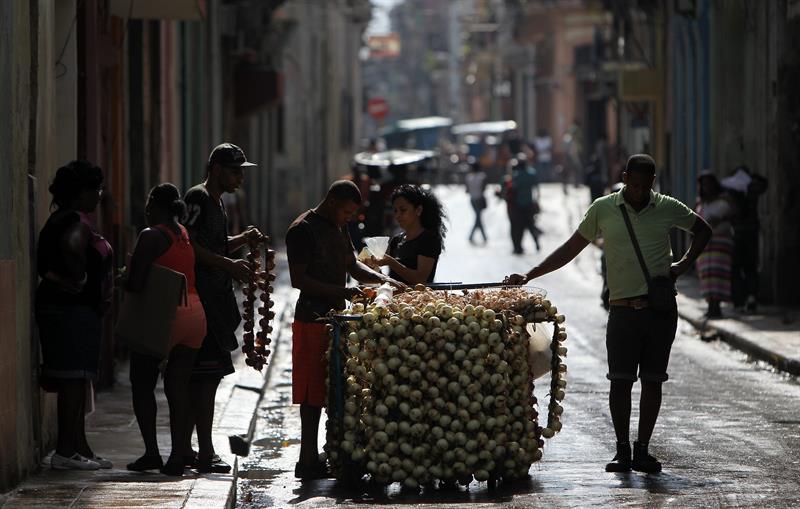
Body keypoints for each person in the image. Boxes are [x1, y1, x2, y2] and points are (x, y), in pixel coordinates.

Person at [504, 154, 712, 473]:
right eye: (635, 183)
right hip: (622, 311)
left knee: (653, 381)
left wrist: (682, 266)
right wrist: (530, 275)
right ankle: (622, 451)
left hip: (660, 311)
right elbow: (571, 248)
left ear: (652, 183)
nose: (640, 191)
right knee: (620, 381)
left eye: (646, 185)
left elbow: (703, 230)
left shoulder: (667, 206)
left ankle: (643, 449)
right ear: (625, 177)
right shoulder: (603, 208)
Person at [286, 180, 405, 480]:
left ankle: (331, 453)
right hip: (311, 317)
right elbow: (299, 280)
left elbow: (352, 265)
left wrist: (384, 282)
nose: (349, 218)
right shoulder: (302, 230)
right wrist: (344, 292)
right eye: (347, 212)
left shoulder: (338, 227)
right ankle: (306, 458)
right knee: (311, 394)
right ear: (331, 202)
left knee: (335, 389)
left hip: (336, 318)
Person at [183, 143, 268, 474]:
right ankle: (203, 451)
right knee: (204, 379)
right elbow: (188, 244)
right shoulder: (198, 198)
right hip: (201, 300)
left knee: (209, 378)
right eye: (236, 172)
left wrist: (243, 239)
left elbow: (214, 245)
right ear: (216, 169)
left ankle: (196, 448)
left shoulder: (218, 204)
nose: (240, 179)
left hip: (217, 301)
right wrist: (228, 265)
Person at [35, 160, 113, 470]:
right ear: (80, 193)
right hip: (70, 311)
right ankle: (65, 451)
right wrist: (82, 283)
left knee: (79, 378)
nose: (99, 195)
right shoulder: (75, 222)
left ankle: (80, 447)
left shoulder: (65, 219)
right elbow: (72, 253)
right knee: (71, 378)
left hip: (74, 310)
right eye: (96, 189)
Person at [125, 184, 206, 476]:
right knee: (178, 388)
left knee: (142, 383)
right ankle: (177, 456)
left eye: (149, 205)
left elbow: (136, 283)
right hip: (195, 315)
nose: (146, 211)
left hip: (165, 315)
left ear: (156, 207)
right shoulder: (182, 233)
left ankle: (151, 453)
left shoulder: (150, 236)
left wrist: (121, 278)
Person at [372, 184, 447, 285]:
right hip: (394, 298)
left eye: (403, 210)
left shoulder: (428, 239)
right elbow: (389, 276)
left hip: (419, 298)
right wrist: (374, 266)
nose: (397, 215)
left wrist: (391, 262)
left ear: (418, 210)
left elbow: (420, 279)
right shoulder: (396, 240)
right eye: (395, 210)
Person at [721, 166, 768, 312]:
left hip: (737, 234)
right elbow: (764, 184)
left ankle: (739, 300)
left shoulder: (732, 191)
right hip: (751, 233)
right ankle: (750, 297)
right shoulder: (751, 189)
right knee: (750, 266)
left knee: (736, 267)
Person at [695, 172, 735, 318]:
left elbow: (735, 214)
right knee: (707, 274)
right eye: (703, 184)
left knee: (718, 274)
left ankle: (716, 307)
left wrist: (720, 219)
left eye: (709, 183)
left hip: (721, 242)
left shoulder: (725, 200)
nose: (707, 187)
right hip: (704, 244)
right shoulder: (700, 203)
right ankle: (710, 306)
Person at [505, 155, 541, 254]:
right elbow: (536, 188)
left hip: (519, 205)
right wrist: (537, 200)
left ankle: (518, 247)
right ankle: (536, 242)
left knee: (519, 227)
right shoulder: (531, 174)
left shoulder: (516, 176)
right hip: (529, 203)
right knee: (531, 224)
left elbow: (513, 190)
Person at [464, 158, 488, 244]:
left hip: (472, 200)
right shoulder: (482, 176)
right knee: (478, 218)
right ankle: (477, 237)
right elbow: (484, 188)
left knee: (478, 218)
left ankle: (483, 237)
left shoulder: (468, 177)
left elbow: (466, 190)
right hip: (479, 199)